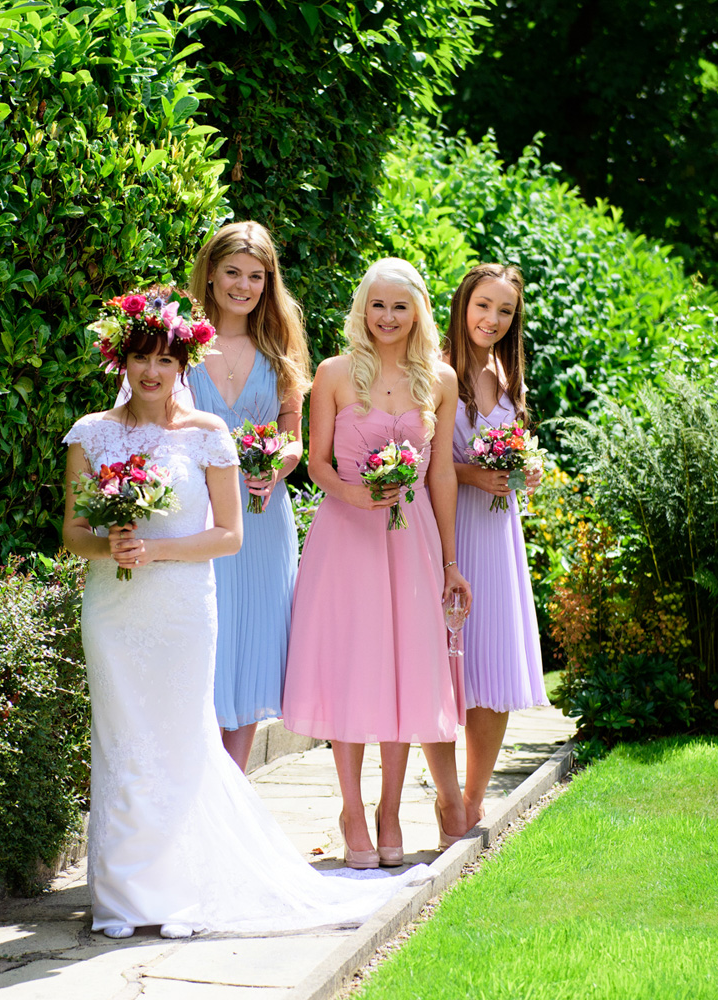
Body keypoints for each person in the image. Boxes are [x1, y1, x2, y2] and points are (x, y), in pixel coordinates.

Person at [63, 303, 426, 940]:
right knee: (121, 741)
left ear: (182, 366)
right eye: (141, 357)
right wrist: (108, 546)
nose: (153, 371)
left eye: (166, 359)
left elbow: (229, 535)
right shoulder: (90, 432)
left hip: (181, 606)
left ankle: (179, 892)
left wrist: (156, 552)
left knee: (178, 738)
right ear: (121, 360)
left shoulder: (207, 432)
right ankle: (121, 897)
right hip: (113, 611)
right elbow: (72, 531)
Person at [282, 258, 472, 869]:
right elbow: (315, 464)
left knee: (401, 670)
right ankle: (353, 812)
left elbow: (440, 472)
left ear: (417, 311)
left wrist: (450, 561)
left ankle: (391, 809)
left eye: (400, 306)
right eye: (377, 305)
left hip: (410, 540)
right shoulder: (334, 374)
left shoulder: (438, 380)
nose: (387, 317)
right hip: (345, 536)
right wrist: (358, 494)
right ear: (362, 309)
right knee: (352, 667)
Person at [184, 222, 311, 771]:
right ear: (210, 275)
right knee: (206, 645)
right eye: (232, 272)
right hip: (200, 515)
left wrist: (281, 462)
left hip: (262, 515)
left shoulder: (278, 345)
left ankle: (233, 789)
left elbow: (293, 433)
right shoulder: (181, 343)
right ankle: (202, 783)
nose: (243, 285)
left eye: (256, 276)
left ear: (269, 281)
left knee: (255, 645)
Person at [445, 264, 548, 830]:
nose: (492, 319)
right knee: (447, 658)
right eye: (484, 305)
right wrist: (469, 475)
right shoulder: (436, 369)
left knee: (494, 663)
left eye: (505, 311)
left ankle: (473, 797)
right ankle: (443, 794)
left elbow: (513, 447)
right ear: (464, 303)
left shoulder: (507, 376)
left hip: (499, 529)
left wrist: (525, 469)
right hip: (452, 527)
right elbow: (423, 459)